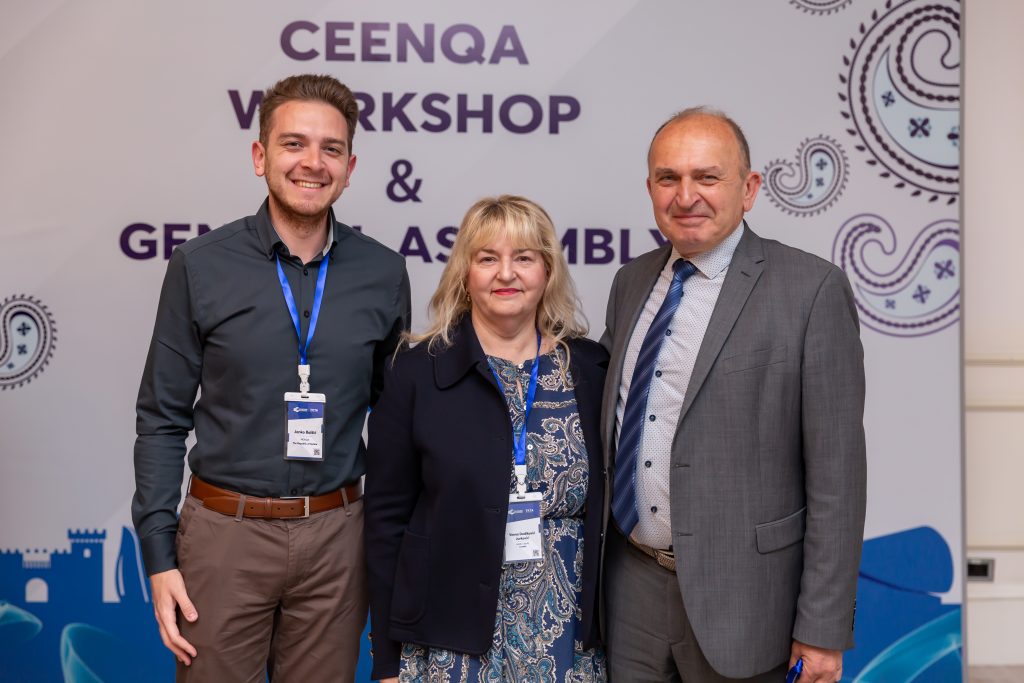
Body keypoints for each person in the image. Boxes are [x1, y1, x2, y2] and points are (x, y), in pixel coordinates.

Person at [132, 74, 410, 682]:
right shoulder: (200, 266)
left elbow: (397, 425)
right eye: (293, 144)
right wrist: (158, 554)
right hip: (224, 536)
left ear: (349, 167)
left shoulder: (384, 273)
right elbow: (160, 419)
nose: (312, 162)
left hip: (338, 539)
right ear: (260, 156)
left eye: (330, 148)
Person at [600, 108, 866, 683]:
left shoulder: (811, 291)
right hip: (629, 591)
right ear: (650, 189)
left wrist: (822, 628)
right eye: (668, 178)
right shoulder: (631, 282)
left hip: (746, 601)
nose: (685, 196)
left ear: (748, 190)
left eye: (707, 177)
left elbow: (838, 479)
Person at [364, 195, 608, 683]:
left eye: (524, 258)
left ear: (547, 271)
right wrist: (387, 661)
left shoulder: (589, 368)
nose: (506, 274)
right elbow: (386, 521)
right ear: (465, 272)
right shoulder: (415, 372)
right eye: (488, 258)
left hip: (567, 637)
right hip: (448, 636)